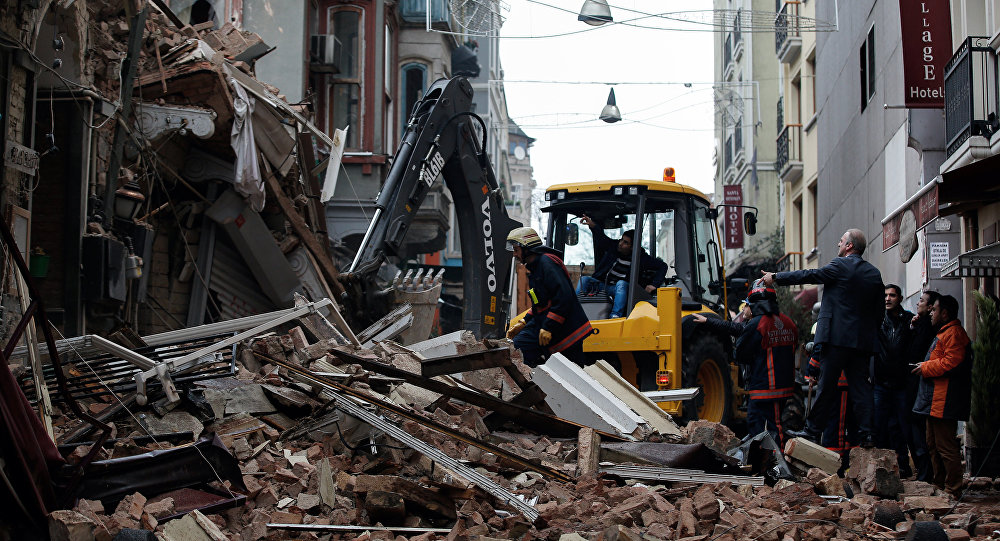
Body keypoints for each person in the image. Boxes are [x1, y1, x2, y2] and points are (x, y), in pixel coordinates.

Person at [761, 228, 884, 448]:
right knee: (861, 389)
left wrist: (776, 277)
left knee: (826, 387)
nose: (838, 244)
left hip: (836, 340)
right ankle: (868, 434)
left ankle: (811, 431)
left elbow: (809, 275)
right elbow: (879, 311)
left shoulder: (839, 266)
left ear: (848, 246)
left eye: (840, 240)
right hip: (862, 343)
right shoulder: (874, 273)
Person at [693, 280, 796, 445]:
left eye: (747, 305)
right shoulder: (788, 322)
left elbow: (741, 353)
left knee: (766, 427)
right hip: (784, 386)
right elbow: (737, 328)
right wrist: (708, 321)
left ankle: (776, 465)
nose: (745, 309)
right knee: (771, 425)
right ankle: (765, 461)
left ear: (755, 305)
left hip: (764, 388)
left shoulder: (757, 324)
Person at [505, 227, 593, 368]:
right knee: (516, 350)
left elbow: (563, 298)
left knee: (572, 376)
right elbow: (540, 304)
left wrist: (548, 327)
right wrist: (523, 322)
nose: (514, 254)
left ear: (526, 248)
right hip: (547, 329)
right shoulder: (535, 268)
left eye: (516, 250)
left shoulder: (547, 264)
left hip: (566, 333)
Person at [912, 294, 972, 497]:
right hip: (935, 400)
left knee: (945, 447)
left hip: (944, 400)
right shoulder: (945, 332)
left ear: (944, 313)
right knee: (933, 445)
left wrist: (926, 367)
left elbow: (950, 362)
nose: (931, 312)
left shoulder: (954, 333)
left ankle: (953, 489)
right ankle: (939, 485)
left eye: (934, 309)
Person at [576, 215, 669, 318]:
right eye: (621, 240)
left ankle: (615, 315)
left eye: (625, 242)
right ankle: (574, 310)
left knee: (621, 284)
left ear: (633, 247)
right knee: (584, 280)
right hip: (603, 285)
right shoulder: (614, 247)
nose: (620, 244)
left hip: (619, 288)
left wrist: (654, 285)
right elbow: (602, 238)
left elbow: (663, 266)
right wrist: (593, 225)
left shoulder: (642, 258)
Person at [874, 284, 917, 477]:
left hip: (902, 383)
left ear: (900, 298)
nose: (887, 299)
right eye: (885, 295)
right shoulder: (876, 320)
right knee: (880, 426)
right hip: (881, 382)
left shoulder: (908, 320)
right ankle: (883, 468)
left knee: (903, 426)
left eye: (892, 295)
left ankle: (905, 465)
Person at [907, 290, 941, 482]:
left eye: (921, 300)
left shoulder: (930, 328)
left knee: (921, 430)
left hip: (922, 383)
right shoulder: (918, 324)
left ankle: (927, 473)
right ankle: (925, 471)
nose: (918, 303)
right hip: (914, 383)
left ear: (930, 308)